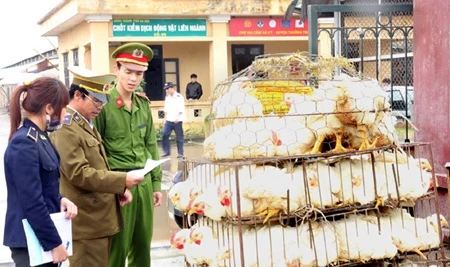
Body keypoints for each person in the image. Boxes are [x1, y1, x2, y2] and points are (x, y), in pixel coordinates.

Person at [50, 66, 145, 266]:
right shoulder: (66, 127)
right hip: (86, 222)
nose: (100, 107)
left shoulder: (84, 123)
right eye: (96, 100)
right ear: (77, 95)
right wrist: (122, 180)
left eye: (104, 101)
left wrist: (117, 190)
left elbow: (98, 165)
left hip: (98, 219)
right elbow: (79, 173)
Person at [93, 42, 163, 267]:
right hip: (119, 186)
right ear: (117, 69)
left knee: (143, 248)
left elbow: (151, 146)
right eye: (128, 71)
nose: (133, 78)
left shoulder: (143, 105)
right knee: (117, 249)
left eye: (139, 73)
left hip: (143, 185)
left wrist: (156, 184)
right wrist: (109, 187)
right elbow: (96, 151)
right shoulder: (103, 105)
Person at [3, 77, 78, 267]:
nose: (65, 114)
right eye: (63, 107)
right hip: (31, 242)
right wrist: (54, 243)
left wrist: (60, 198)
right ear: (49, 108)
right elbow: (32, 201)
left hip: (41, 236)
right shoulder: (24, 143)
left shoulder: (41, 138)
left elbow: (44, 184)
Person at [161, 82, 186, 158]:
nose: (167, 90)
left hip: (177, 120)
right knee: (165, 135)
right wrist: (164, 119)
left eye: (168, 89)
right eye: (166, 89)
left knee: (179, 137)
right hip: (169, 120)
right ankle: (166, 151)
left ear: (172, 88)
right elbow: (166, 109)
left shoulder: (179, 97)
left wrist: (177, 118)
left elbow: (181, 108)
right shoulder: (167, 97)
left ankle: (180, 153)